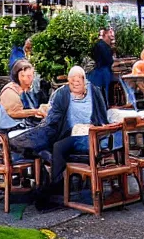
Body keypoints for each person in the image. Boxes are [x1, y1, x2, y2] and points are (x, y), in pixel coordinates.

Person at [42, 66, 109, 200]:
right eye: (72, 80)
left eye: (79, 79)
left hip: (91, 133)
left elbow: (102, 113)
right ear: (68, 81)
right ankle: (59, 186)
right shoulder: (62, 94)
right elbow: (53, 114)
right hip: (71, 134)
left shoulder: (94, 91)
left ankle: (86, 183)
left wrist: (98, 126)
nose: (76, 83)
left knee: (90, 146)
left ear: (85, 80)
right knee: (57, 146)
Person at [0, 59, 51, 160]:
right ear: (20, 76)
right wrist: (36, 111)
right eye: (29, 76)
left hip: (18, 131)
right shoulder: (10, 91)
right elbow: (14, 113)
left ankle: (46, 170)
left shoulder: (22, 90)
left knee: (45, 143)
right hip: (9, 134)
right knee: (45, 138)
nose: (32, 78)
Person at [87, 27, 114, 106]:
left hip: (102, 71)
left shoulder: (103, 45)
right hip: (102, 72)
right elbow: (108, 60)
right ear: (105, 34)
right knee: (103, 92)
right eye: (110, 32)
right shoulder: (101, 45)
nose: (112, 34)